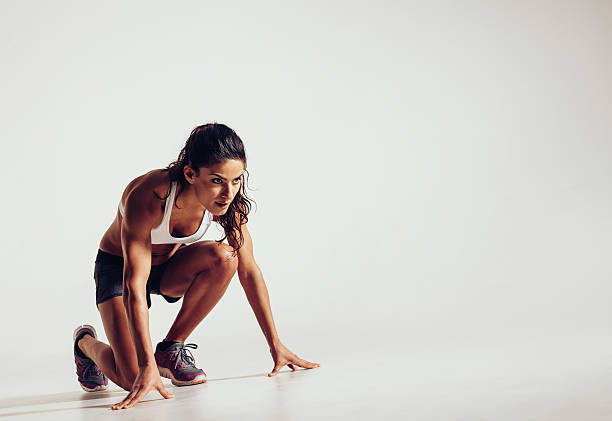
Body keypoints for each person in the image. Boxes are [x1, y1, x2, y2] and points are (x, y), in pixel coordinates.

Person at [72, 123, 319, 410]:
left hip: (169, 268)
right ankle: (85, 345)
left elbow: (249, 271)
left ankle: (170, 348)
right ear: (191, 174)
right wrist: (145, 365)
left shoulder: (229, 202)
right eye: (217, 181)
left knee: (226, 257)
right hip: (120, 269)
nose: (228, 192)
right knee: (133, 378)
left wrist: (275, 344)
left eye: (237, 180)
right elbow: (134, 286)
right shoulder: (149, 195)